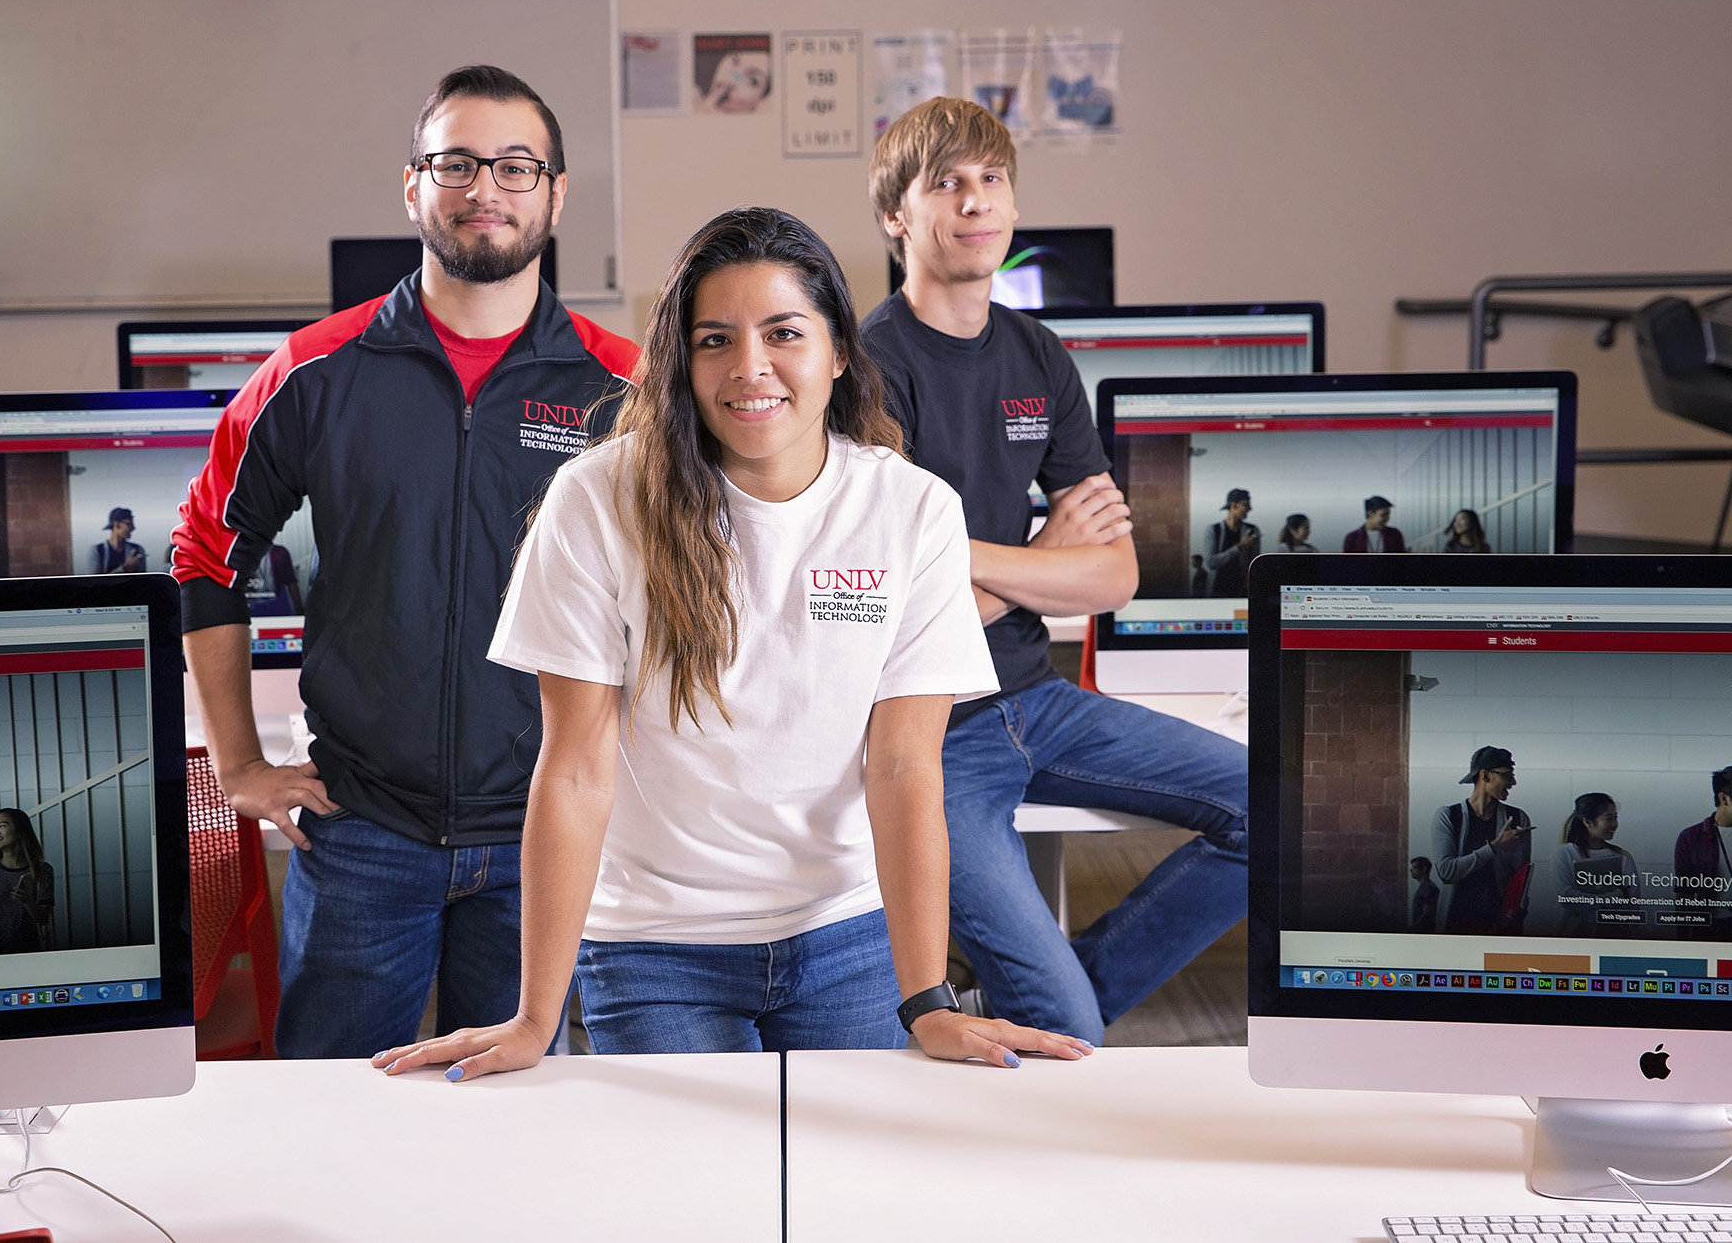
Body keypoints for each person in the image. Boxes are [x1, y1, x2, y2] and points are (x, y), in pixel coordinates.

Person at [374, 207, 1090, 1080]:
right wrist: (533, 1017)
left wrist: (928, 998)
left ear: (837, 351)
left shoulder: (913, 511)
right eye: (714, 339)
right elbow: (573, 768)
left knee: (841, 1199)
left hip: (846, 933)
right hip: (654, 943)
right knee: (699, 1206)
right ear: (682, 362)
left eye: (784, 332)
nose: (750, 367)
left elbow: (904, 767)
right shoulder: (597, 500)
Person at [171, 65, 637, 1059]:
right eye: (456, 163)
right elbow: (204, 553)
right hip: (362, 832)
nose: (485, 190)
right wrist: (238, 767)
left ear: (556, 193)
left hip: (541, 835)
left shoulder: (621, 386)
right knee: (331, 1125)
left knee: (518, 1134)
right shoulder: (311, 372)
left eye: (516, 167)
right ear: (413, 186)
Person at [856, 96, 1248, 1043]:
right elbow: (890, 606)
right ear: (896, 216)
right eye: (946, 183)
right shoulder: (867, 367)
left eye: (992, 180)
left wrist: (984, 576)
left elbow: (1114, 575)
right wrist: (1039, 560)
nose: (976, 200)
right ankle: (1058, 1001)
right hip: (932, 729)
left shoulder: (1038, 352)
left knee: (1273, 809)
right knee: (1074, 1029)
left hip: (1039, 696)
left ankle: (1062, 986)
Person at [1431, 747, 1532, 936]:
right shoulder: (1448, 816)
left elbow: (1520, 881)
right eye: (1507, 775)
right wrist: (1494, 847)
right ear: (1484, 776)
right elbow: (1447, 872)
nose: (1513, 782)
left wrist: (1517, 911)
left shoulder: (1518, 818)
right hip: (1455, 927)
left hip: (1501, 929)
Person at [0, 808, 55, 955]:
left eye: (2, 826)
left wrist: (27, 901)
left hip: (29, 954)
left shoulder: (42, 871)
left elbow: (44, 918)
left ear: (20, 832)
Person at [1549, 792, 1636, 937]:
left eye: (1615, 817)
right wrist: (1615, 896)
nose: (1614, 824)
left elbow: (1633, 904)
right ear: (1588, 822)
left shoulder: (1623, 857)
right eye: (1609, 818)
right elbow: (1566, 897)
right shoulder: (1564, 853)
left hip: (1615, 938)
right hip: (1571, 938)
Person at [1671, 766, 1732, 938]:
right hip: (1708, 927)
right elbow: (1684, 893)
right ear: (1724, 799)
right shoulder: (1691, 838)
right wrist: (1682, 940)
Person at [1202, 488, 1261, 596]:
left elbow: (1255, 564)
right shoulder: (1213, 530)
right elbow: (1210, 563)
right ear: (1234, 505)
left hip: (1242, 589)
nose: (1249, 509)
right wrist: (1239, 547)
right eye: (1246, 505)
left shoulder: (1252, 530)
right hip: (1217, 588)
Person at [90, 507, 147, 573]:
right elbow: (96, 581)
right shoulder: (97, 551)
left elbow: (143, 580)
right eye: (129, 524)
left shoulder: (138, 549)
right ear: (117, 525)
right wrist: (125, 568)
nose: (133, 528)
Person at [1408, 856, 1439, 933]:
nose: (1411, 870)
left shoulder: (1427, 887)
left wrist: (1411, 929)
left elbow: (1427, 913)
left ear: (1424, 869)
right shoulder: (1427, 886)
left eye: (1415, 867)